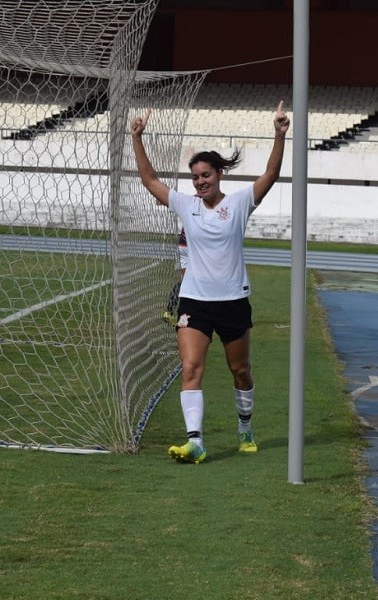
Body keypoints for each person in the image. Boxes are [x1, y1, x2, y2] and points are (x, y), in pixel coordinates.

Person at [131, 101, 289, 464]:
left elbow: (270, 174)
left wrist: (279, 134)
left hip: (233, 301)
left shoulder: (240, 203)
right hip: (194, 301)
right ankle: (196, 441)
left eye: (206, 175)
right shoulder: (186, 206)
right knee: (190, 368)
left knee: (240, 371)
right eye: (195, 177)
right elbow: (150, 181)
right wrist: (137, 138)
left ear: (219, 174)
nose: (200, 182)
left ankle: (245, 427)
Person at [162, 227, 187, 324]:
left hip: (183, 245)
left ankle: (169, 312)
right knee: (188, 285)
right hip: (194, 247)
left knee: (184, 282)